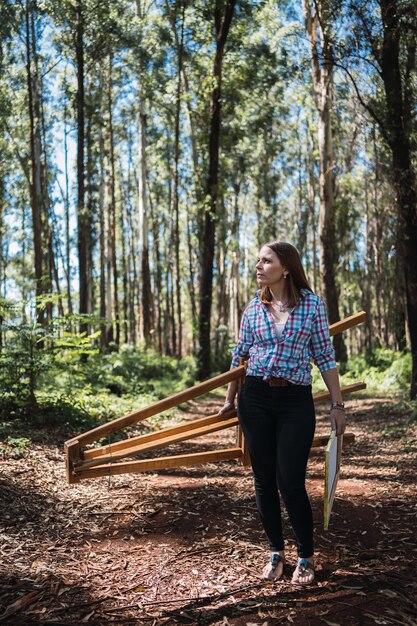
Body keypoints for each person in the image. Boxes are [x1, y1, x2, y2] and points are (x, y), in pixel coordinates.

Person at [219, 241, 346, 585]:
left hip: (294, 401)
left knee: (289, 480)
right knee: (263, 477)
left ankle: (306, 555)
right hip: (255, 397)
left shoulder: (312, 306)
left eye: (266, 260)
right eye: (258, 261)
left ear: (286, 267)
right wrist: (230, 400)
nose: (258, 266)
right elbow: (240, 357)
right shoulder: (253, 308)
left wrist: (337, 405)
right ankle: (276, 551)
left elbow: (324, 356)